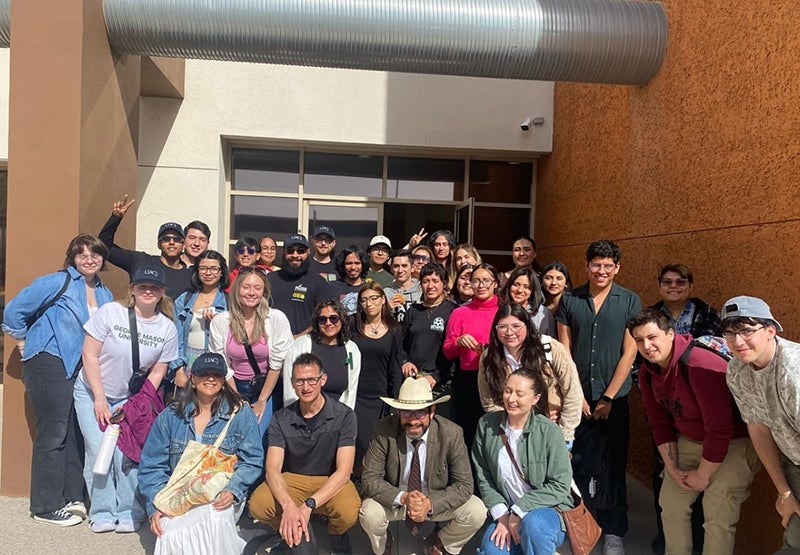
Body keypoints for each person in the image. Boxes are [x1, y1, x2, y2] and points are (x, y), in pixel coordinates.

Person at [2, 234, 114, 526]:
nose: (89, 259)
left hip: (80, 368)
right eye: (82, 254)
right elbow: (13, 311)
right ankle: (46, 506)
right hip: (49, 361)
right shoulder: (57, 282)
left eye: (95, 254)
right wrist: (25, 342)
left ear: (103, 258)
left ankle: (72, 496)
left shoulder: (105, 293)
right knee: (53, 432)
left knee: (75, 430)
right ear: (72, 258)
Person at [628, 309, 759, 555]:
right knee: (671, 504)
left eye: (652, 337)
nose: (647, 346)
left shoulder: (698, 363)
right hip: (691, 439)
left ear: (670, 334)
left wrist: (702, 474)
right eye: (639, 340)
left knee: (717, 515)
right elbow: (658, 422)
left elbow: (719, 428)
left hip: (733, 442)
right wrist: (672, 467)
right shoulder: (648, 372)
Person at [73, 264, 179, 533]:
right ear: (132, 289)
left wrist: (136, 403)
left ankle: (129, 510)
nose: (148, 291)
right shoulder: (111, 312)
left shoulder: (167, 328)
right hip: (92, 392)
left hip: (129, 398)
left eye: (154, 287)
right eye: (142, 286)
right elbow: (89, 355)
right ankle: (102, 511)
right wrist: (99, 398)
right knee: (98, 449)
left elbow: (159, 370)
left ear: (162, 293)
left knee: (128, 454)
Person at [556, 240, 641, 555]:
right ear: (587, 265)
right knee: (578, 465)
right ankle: (582, 527)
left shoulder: (629, 301)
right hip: (577, 399)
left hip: (614, 399)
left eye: (608, 265)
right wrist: (577, 397)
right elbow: (564, 352)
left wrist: (608, 397)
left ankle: (614, 530)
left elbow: (629, 354)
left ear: (617, 268)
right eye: (596, 264)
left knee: (613, 465)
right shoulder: (570, 299)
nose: (601, 270)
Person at [139, 353, 264, 555]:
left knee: (216, 518)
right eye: (205, 374)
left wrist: (233, 490)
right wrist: (157, 506)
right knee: (169, 533)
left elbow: (252, 460)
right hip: (180, 494)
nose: (211, 378)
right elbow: (152, 466)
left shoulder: (241, 413)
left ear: (223, 381)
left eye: (217, 375)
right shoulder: (171, 416)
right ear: (193, 379)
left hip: (219, 492)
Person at [249, 353, 361, 555]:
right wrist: (289, 507)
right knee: (258, 505)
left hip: (329, 478)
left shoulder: (344, 416)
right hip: (294, 478)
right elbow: (272, 469)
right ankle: (290, 528)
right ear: (292, 383)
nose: (306, 387)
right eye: (299, 381)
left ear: (323, 380)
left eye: (312, 380)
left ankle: (336, 533)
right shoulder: (281, 418)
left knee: (348, 511)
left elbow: (344, 472)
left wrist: (308, 506)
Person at [359, 376, 485, 555]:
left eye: (420, 413)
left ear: (432, 411)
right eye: (406, 413)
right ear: (398, 411)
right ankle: (383, 545)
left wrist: (429, 503)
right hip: (396, 498)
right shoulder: (383, 430)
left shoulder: (451, 433)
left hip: (434, 498)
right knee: (369, 513)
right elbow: (370, 479)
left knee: (476, 510)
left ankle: (440, 543)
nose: (413, 420)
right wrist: (403, 498)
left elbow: (464, 485)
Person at [719, 296, 800, 549]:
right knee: (795, 541)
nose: (738, 342)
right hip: (794, 461)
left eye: (746, 331)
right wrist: (784, 492)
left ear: (770, 330)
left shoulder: (793, 372)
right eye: (730, 333)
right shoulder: (737, 371)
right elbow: (758, 429)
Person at [472, 369, 573, 555]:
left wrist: (520, 510)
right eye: (508, 391)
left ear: (535, 398)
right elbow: (483, 475)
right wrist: (502, 515)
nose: (511, 399)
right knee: (493, 550)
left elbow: (560, 485)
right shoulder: (487, 425)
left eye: (520, 394)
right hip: (508, 510)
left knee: (534, 526)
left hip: (547, 511)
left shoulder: (549, 431)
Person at [478, 303, 583, 444]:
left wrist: (565, 434)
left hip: (551, 429)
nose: (509, 332)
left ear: (527, 326)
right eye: (502, 327)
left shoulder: (551, 349)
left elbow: (573, 392)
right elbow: (488, 401)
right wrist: (515, 420)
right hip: (510, 431)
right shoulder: (488, 357)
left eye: (516, 326)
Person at [209, 267, 293, 435]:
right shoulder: (221, 321)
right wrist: (236, 398)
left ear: (264, 292)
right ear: (237, 289)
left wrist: (262, 401)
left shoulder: (276, 318)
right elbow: (222, 363)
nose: (251, 292)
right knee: (230, 434)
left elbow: (277, 364)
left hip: (266, 386)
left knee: (258, 434)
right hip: (233, 386)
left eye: (257, 288)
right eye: (246, 287)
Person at [443, 263, 501, 449]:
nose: (481, 285)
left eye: (486, 280)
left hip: (498, 377)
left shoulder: (504, 311)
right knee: (469, 433)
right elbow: (447, 351)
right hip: (468, 379)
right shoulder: (460, 312)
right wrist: (459, 341)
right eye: (476, 281)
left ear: (495, 283)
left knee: (496, 434)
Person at [351, 282, 405, 473]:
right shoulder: (352, 325)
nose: (369, 304)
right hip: (356, 396)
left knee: (376, 445)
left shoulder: (394, 330)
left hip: (380, 397)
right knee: (359, 444)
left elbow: (395, 369)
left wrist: (394, 402)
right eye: (364, 300)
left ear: (383, 300)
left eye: (373, 298)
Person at [97, 194, 193, 298]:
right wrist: (115, 219)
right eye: (166, 238)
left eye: (177, 239)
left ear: (183, 245)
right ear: (159, 244)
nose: (171, 242)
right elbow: (104, 246)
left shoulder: (190, 275)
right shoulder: (141, 261)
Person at [282, 299, 361, 409]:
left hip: (338, 413)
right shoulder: (301, 344)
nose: (328, 323)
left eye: (333, 318)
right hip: (304, 412)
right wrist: (296, 414)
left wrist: (345, 416)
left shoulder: (352, 349)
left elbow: (351, 391)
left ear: (342, 320)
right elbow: (290, 386)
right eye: (322, 320)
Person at [171, 250, 229, 388]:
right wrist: (178, 369)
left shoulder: (230, 301)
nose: (208, 273)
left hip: (217, 366)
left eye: (214, 268)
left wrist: (220, 323)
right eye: (203, 268)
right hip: (188, 364)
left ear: (221, 272)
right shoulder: (184, 299)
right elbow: (175, 338)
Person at [267, 233, 332, 337]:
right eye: (290, 251)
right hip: (272, 341)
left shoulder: (318, 282)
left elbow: (325, 316)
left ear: (308, 252)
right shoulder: (269, 279)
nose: (295, 255)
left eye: (301, 251)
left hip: (306, 342)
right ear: (283, 252)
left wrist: (299, 337)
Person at [650, 263, 721, 337]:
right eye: (667, 282)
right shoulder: (648, 317)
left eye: (680, 282)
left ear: (691, 287)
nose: (673, 286)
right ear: (660, 287)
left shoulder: (709, 315)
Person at [501, 267, 555, 336]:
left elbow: (551, 340)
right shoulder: (499, 309)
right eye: (516, 285)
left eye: (526, 287)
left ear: (532, 291)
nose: (520, 290)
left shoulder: (542, 313)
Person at [329, 244, 370, 315]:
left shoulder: (369, 288)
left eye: (357, 263)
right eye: (349, 263)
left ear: (363, 265)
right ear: (342, 265)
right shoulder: (332, 288)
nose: (353, 267)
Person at [384, 248, 422, 323]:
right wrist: (387, 310)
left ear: (412, 268)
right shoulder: (385, 293)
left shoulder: (422, 290)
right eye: (396, 266)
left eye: (404, 266)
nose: (400, 270)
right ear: (391, 269)